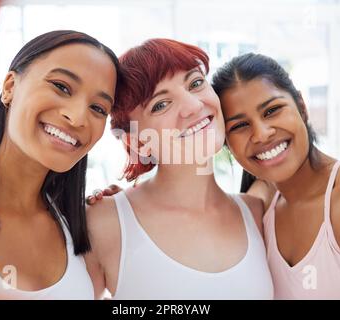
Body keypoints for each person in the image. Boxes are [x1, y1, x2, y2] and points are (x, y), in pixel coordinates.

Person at [85, 39, 274, 300]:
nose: (194, 106)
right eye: (161, 104)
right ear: (137, 140)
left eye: (195, 83)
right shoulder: (102, 223)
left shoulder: (258, 213)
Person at [0, 30, 119, 299]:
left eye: (98, 108)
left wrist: (123, 216)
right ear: (10, 86)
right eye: (61, 87)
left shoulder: (81, 228)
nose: (77, 117)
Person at [212, 53, 340, 299]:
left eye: (272, 110)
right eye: (239, 126)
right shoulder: (262, 209)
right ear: (226, 142)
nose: (261, 134)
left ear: (301, 107)